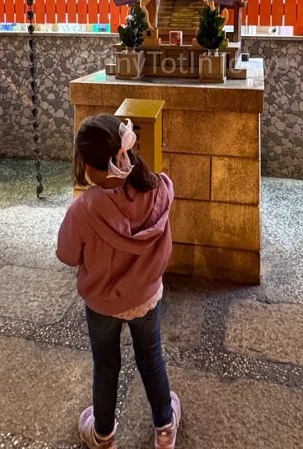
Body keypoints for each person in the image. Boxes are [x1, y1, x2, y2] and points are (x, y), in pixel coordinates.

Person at [57, 114, 181, 449]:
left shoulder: (83, 209)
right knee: (151, 358)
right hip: (146, 298)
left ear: (89, 166)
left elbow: (68, 255)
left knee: (106, 366)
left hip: (102, 304)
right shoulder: (157, 189)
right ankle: (165, 428)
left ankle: (103, 434)